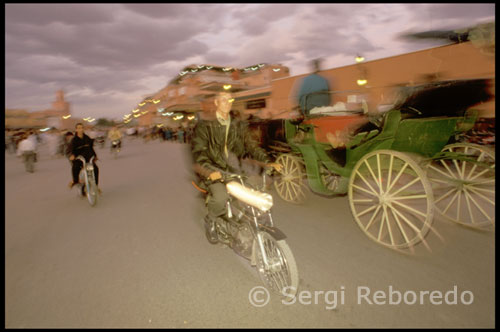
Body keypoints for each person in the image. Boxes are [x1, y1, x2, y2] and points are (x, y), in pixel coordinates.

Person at [191, 91, 282, 235]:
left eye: (229, 100)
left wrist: (267, 162)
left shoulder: (238, 125)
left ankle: (254, 227)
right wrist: (210, 171)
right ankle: (212, 219)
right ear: (216, 103)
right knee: (220, 197)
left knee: (256, 191)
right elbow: (199, 153)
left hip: (233, 169)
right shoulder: (204, 126)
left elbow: (251, 146)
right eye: (223, 100)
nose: (227, 103)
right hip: (213, 170)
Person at [68, 123, 101, 193]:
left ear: (83, 129)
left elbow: (91, 148)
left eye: (82, 128)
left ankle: (96, 186)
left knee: (95, 169)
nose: (80, 129)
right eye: (79, 128)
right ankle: (75, 181)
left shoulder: (87, 138)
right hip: (79, 158)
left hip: (88, 158)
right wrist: (72, 155)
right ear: (76, 129)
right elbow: (71, 149)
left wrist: (95, 156)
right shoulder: (74, 140)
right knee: (75, 167)